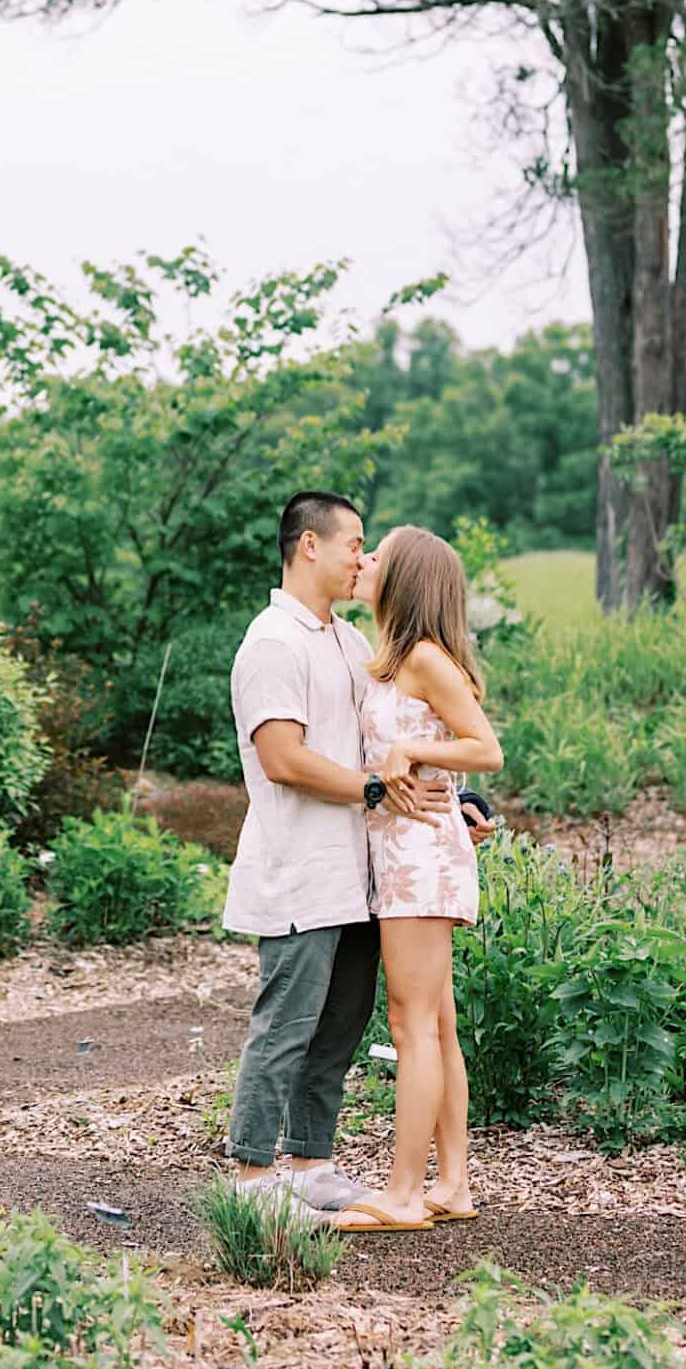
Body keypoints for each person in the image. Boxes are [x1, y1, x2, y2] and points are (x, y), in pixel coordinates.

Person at [221, 490, 452, 1214]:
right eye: (354, 542)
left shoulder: (350, 643)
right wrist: (374, 793)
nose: (363, 555)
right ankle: (254, 1180)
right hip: (297, 871)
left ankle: (311, 1163)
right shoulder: (271, 642)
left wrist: (454, 801)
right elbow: (283, 758)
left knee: (339, 1029)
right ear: (309, 545)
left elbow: (388, 743)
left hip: (359, 877)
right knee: (285, 1027)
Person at [331, 526, 503, 1233]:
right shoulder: (395, 659)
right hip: (410, 851)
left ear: (405, 578)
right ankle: (453, 1182)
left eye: (376, 555)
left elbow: (485, 746)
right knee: (438, 1022)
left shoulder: (425, 658)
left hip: (420, 860)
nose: (363, 561)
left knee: (412, 1024)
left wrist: (411, 748)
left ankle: (404, 1192)